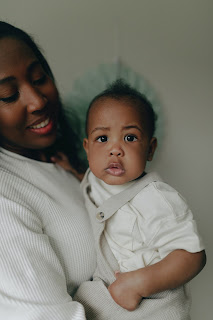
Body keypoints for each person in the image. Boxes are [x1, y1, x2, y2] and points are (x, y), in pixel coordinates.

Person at [57, 79, 206, 320]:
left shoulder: (157, 198)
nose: (115, 149)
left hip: (152, 304)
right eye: (103, 139)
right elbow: (89, 184)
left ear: (150, 149)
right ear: (88, 148)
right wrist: (69, 170)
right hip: (108, 294)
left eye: (130, 137)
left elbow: (192, 256)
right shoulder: (93, 179)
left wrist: (140, 283)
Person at [0, 21, 96, 320]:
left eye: (40, 78)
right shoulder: (5, 196)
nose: (38, 101)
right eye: (8, 95)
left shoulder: (63, 159)